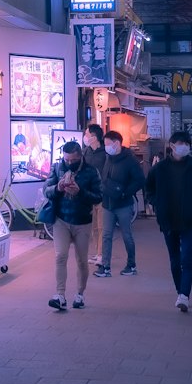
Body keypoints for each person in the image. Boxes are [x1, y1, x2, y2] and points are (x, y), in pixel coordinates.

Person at [145, 129, 192, 312]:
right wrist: (156, 203)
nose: (183, 148)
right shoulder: (160, 168)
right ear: (172, 146)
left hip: (189, 220)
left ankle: (184, 295)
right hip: (167, 220)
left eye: (186, 145)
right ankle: (180, 291)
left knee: (187, 260)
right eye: (180, 144)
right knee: (175, 260)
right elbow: (149, 188)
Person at [42, 140, 101, 312]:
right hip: (61, 219)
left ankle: (80, 294)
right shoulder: (57, 167)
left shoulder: (91, 171)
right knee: (60, 256)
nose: (68, 163)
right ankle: (60, 295)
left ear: (80, 157)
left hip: (83, 221)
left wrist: (80, 192)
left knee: (82, 260)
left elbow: (98, 197)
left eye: (72, 160)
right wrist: (58, 188)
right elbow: (47, 190)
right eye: (66, 160)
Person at [94, 129, 146, 278]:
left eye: (108, 144)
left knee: (127, 235)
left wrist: (125, 192)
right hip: (107, 203)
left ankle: (131, 265)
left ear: (117, 143)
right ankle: (105, 266)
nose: (106, 147)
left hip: (124, 204)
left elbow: (140, 180)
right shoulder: (108, 158)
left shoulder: (130, 160)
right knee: (106, 235)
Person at [81, 125, 107, 265]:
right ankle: (98, 254)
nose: (85, 137)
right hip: (89, 195)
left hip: (102, 195)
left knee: (102, 226)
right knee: (94, 227)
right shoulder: (85, 152)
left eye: (87, 134)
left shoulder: (105, 153)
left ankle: (101, 254)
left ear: (94, 137)